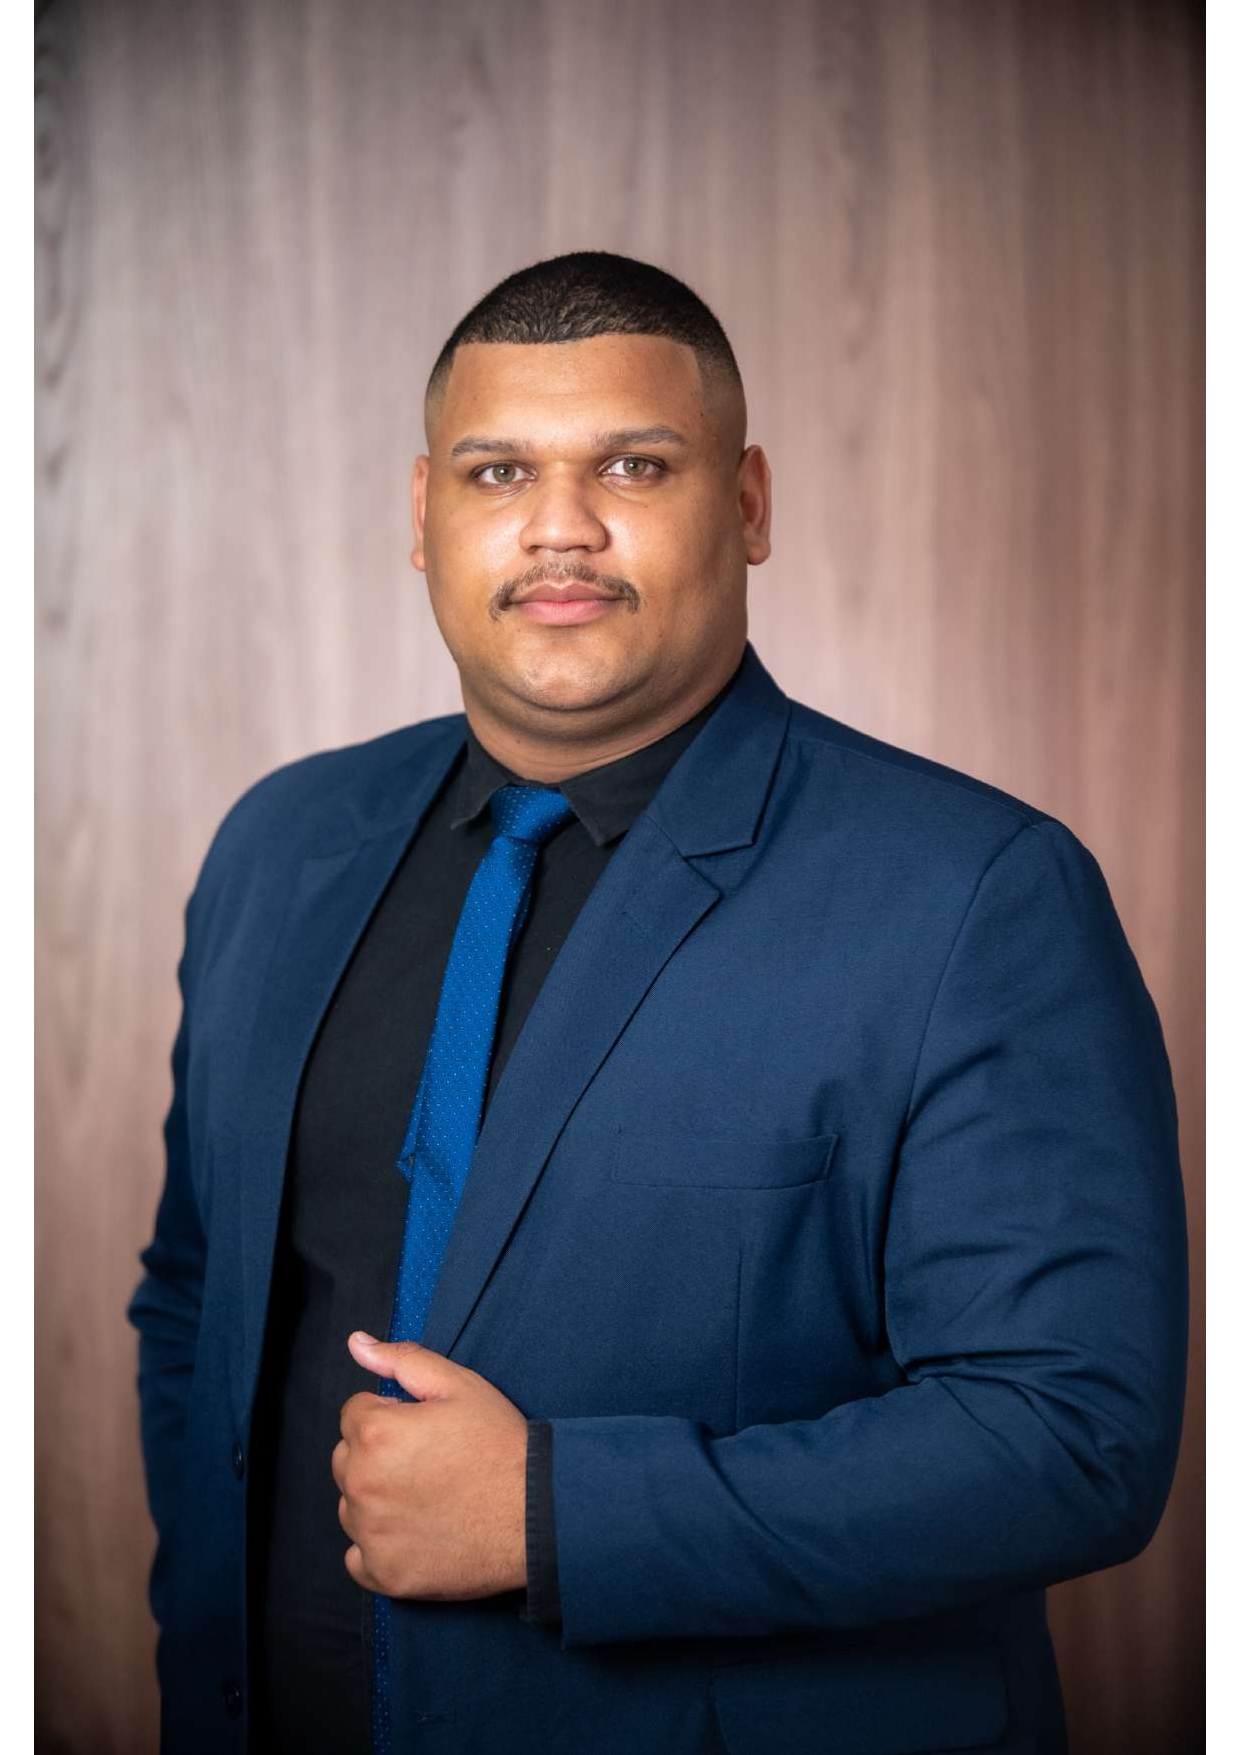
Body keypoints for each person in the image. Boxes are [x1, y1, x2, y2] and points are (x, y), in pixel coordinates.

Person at [127, 251, 1189, 1755]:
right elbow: (196, 1297)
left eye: (634, 465)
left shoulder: (977, 893)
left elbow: (1072, 1438)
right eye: (499, 471)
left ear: (747, 505)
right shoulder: (279, 846)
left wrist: (557, 1516)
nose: (560, 525)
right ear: (423, 515)